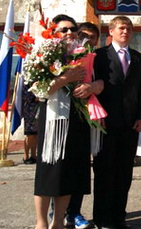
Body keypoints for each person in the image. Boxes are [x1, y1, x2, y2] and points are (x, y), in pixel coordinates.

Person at [34, 14, 102, 229]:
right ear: (53, 33)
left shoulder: (83, 53)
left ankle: (58, 222)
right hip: (54, 120)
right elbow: (38, 90)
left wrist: (92, 86)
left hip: (78, 119)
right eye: (64, 29)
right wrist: (66, 78)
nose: (70, 33)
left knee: (70, 172)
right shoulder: (43, 54)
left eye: (73, 29)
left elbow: (99, 82)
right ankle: (41, 223)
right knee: (49, 172)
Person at [93, 16, 141, 229]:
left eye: (129, 29)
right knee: (105, 172)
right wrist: (97, 117)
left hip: (130, 124)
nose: (125, 32)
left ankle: (119, 217)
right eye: (121, 28)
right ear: (111, 31)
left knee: (124, 173)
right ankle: (103, 218)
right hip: (105, 123)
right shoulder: (99, 56)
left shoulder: (138, 58)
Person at [64, 21, 101, 229]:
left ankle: (74, 212)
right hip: (63, 118)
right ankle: (57, 210)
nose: (87, 40)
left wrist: (93, 86)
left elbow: (104, 83)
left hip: (86, 118)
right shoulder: (64, 56)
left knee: (81, 167)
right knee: (62, 167)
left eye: (92, 37)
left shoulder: (98, 59)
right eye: (83, 35)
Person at [22, 85, 39, 165]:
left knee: (35, 134)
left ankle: (33, 155)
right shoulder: (26, 83)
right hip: (29, 110)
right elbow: (25, 96)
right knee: (29, 134)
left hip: (38, 108)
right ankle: (26, 156)